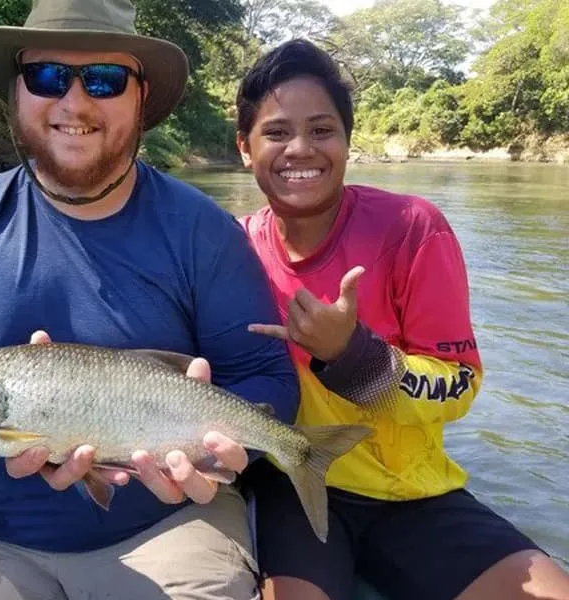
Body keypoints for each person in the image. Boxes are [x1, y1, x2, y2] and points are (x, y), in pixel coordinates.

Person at [0, 1, 300, 599]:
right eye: (48, 76)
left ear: (141, 97)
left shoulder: (203, 230)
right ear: (17, 90)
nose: (75, 102)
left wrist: (218, 452)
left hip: (174, 523)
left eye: (105, 79)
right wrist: (34, 403)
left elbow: (270, 382)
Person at [235, 38, 569, 600]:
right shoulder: (232, 248)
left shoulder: (412, 227)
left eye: (322, 130)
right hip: (293, 488)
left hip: (415, 494)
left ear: (346, 141)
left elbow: (460, 385)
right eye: (275, 132)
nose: (300, 149)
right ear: (245, 148)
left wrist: (353, 356)